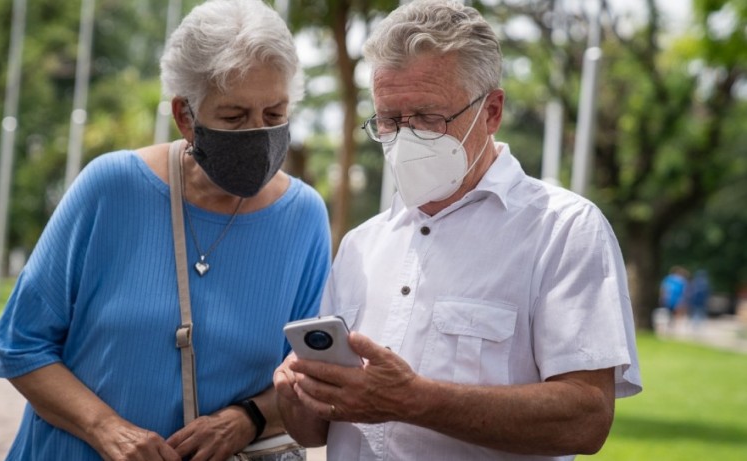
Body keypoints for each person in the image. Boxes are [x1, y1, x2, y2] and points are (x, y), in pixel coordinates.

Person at [274, 1, 642, 460]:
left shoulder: (563, 230)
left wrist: (414, 399)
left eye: (429, 119)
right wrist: (298, 394)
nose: (405, 139)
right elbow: (316, 432)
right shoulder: (363, 244)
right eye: (389, 120)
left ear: (491, 112)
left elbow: (585, 419)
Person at [0, 1, 331, 460]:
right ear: (185, 116)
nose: (258, 135)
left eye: (274, 114)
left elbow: (310, 375)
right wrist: (105, 429)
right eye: (234, 117)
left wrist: (248, 418)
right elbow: (21, 344)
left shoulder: (303, 217)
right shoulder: (111, 187)